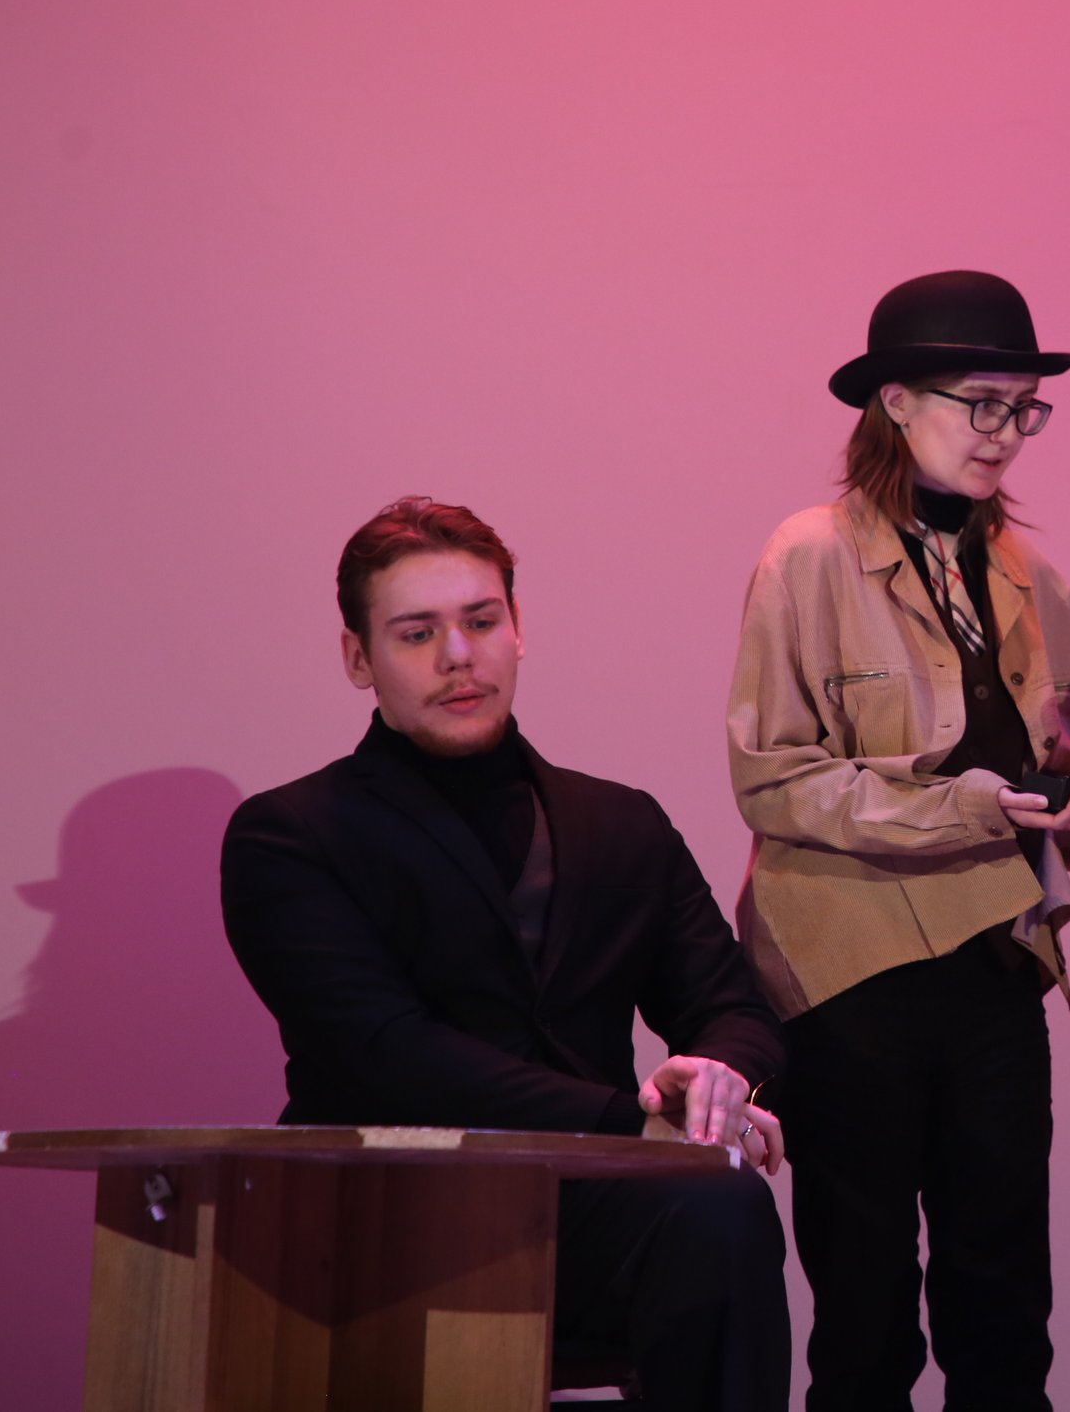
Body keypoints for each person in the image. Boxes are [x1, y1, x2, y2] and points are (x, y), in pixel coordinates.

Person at [728, 270, 1070, 1411]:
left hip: (996, 965)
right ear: (894, 401)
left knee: (1004, 1316)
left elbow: (1056, 801)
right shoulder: (809, 555)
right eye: (979, 403)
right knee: (866, 1324)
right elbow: (775, 782)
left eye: (1023, 409)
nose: (1004, 433)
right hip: (850, 972)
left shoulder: (1037, 577)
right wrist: (970, 807)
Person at [220, 497, 791, 1410]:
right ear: (359, 659)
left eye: (481, 622)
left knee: (720, 1206)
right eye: (417, 634)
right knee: (702, 1200)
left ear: (517, 630)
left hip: (585, 1211)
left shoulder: (622, 822)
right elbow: (385, 1053)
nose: (459, 655)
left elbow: (732, 1006)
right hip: (386, 1216)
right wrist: (629, 1124)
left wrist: (718, 1081)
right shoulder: (289, 835)